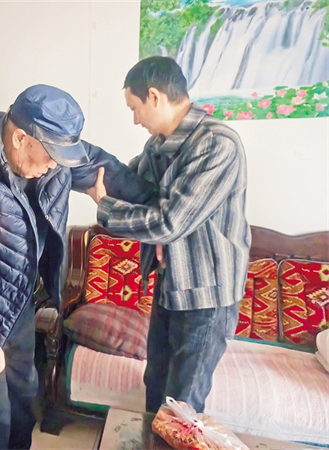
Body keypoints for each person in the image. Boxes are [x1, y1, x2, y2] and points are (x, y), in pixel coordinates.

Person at [0, 84, 156, 449]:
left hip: (21, 296)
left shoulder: (53, 151)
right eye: (51, 157)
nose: (56, 166)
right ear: (20, 138)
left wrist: (159, 208)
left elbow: (106, 170)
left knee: (25, 392)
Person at [87, 56, 250, 414]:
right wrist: (79, 166)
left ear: (155, 97)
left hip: (206, 294)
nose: (135, 119)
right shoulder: (158, 146)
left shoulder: (217, 144)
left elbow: (170, 222)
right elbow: (133, 185)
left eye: (135, 108)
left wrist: (104, 207)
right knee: (156, 384)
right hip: (170, 284)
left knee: (182, 403)